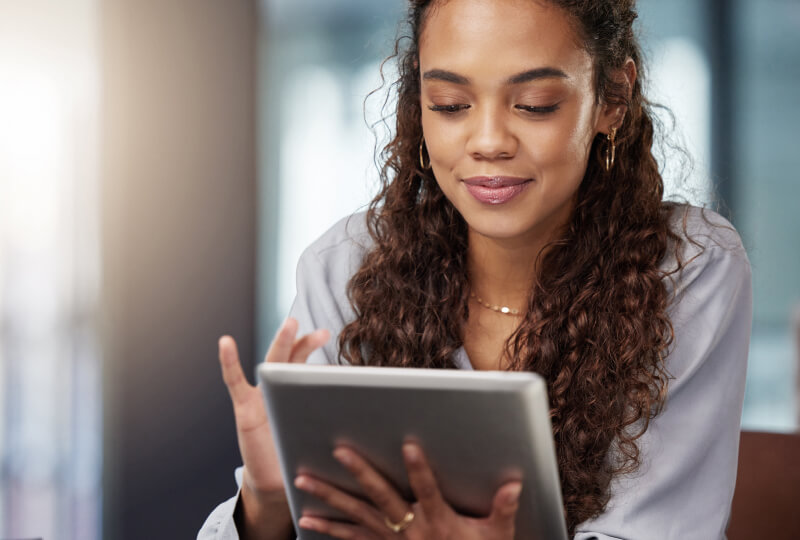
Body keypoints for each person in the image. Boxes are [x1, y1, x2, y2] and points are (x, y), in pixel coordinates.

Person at [199, 0, 752, 538]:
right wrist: (267, 503)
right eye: (449, 103)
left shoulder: (686, 268)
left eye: (534, 104)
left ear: (613, 97)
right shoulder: (347, 264)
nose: (488, 142)